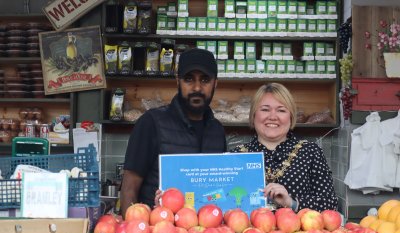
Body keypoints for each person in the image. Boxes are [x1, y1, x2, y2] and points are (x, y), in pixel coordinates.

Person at [121, 48, 227, 217]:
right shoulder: (151, 123)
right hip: (157, 232)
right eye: (189, 79)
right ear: (177, 81)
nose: (197, 87)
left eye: (205, 79)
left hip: (205, 232)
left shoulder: (217, 130)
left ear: (215, 83)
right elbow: (129, 187)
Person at [231, 83, 338, 212]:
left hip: (298, 232)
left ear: (291, 117)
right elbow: (224, 202)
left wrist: (291, 202)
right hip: (248, 231)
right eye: (265, 109)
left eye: (281, 110)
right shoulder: (235, 156)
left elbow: (330, 203)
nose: (273, 116)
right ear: (253, 115)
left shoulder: (310, 152)